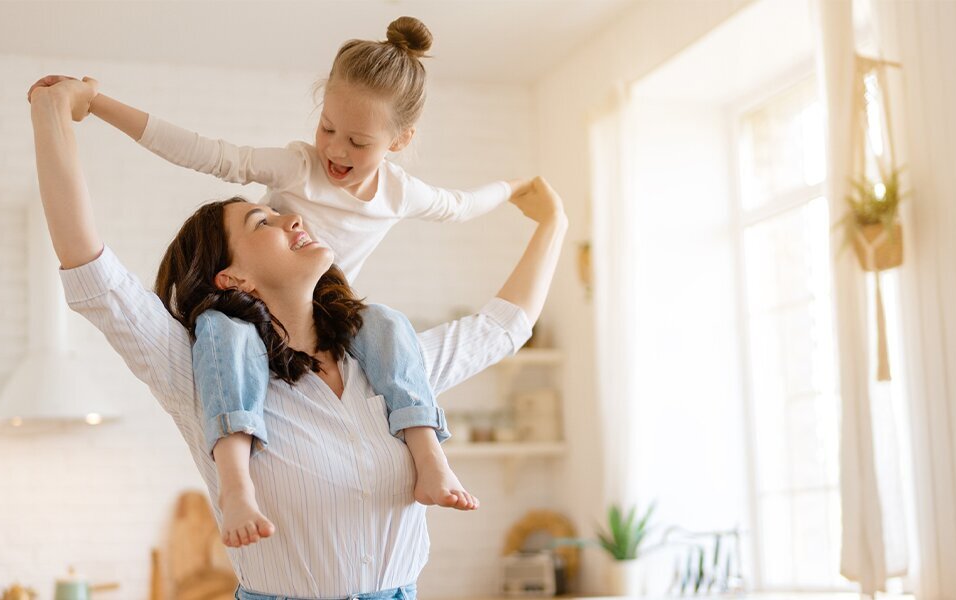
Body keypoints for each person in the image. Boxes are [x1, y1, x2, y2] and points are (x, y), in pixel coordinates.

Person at [29, 74, 566, 599]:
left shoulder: (386, 364)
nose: (291, 220)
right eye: (261, 223)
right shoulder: (203, 373)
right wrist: (54, 110)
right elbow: (92, 271)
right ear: (233, 278)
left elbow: (500, 329)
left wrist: (553, 225)